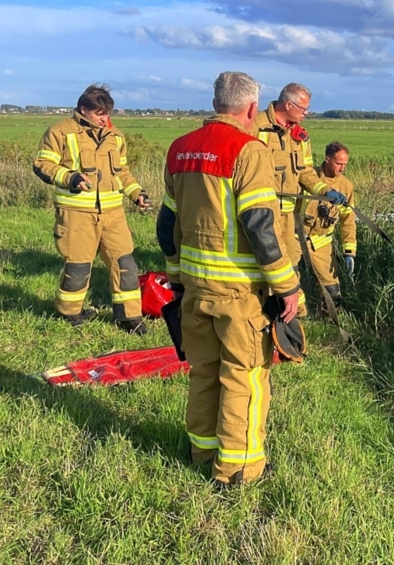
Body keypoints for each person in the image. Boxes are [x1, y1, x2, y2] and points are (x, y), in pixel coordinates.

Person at [156, 71, 301, 488]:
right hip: (239, 293)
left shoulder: (179, 149)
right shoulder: (249, 151)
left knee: (203, 371)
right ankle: (238, 470)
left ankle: (202, 452)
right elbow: (260, 226)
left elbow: (166, 225)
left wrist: (175, 274)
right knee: (246, 376)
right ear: (253, 108)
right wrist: (286, 284)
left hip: (194, 287)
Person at [32, 84, 151, 333]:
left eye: (107, 113)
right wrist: (71, 178)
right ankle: (70, 313)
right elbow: (42, 164)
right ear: (83, 110)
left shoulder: (115, 136)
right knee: (78, 266)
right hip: (76, 214)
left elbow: (123, 173)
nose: (104, 119)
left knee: (125, 263)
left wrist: (137, 194)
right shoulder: (60, 132)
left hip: (113, 214)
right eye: (99, 114)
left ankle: (129, 316)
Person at [254, 83, 348, 318]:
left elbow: (305, 171)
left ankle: (297, 313)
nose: (306, 113)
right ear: (288, 104)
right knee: (262, 260)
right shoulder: (255, 126)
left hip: (288, 216)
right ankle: (261, 310)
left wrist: (324, 191)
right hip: (260, 210)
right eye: (304, 108)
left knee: (289, 263)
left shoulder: (300, 137)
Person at [302, 141, 357, 309]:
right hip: (295, 237)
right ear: (327, 159)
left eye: (345, 164)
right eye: (338, 163)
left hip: (321, 242)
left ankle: (331, 320)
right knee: (287, 283)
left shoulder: (346, 186)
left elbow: (348, 221)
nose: (342, 168)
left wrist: (349, 252)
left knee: (332, 289)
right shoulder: (309, 177)